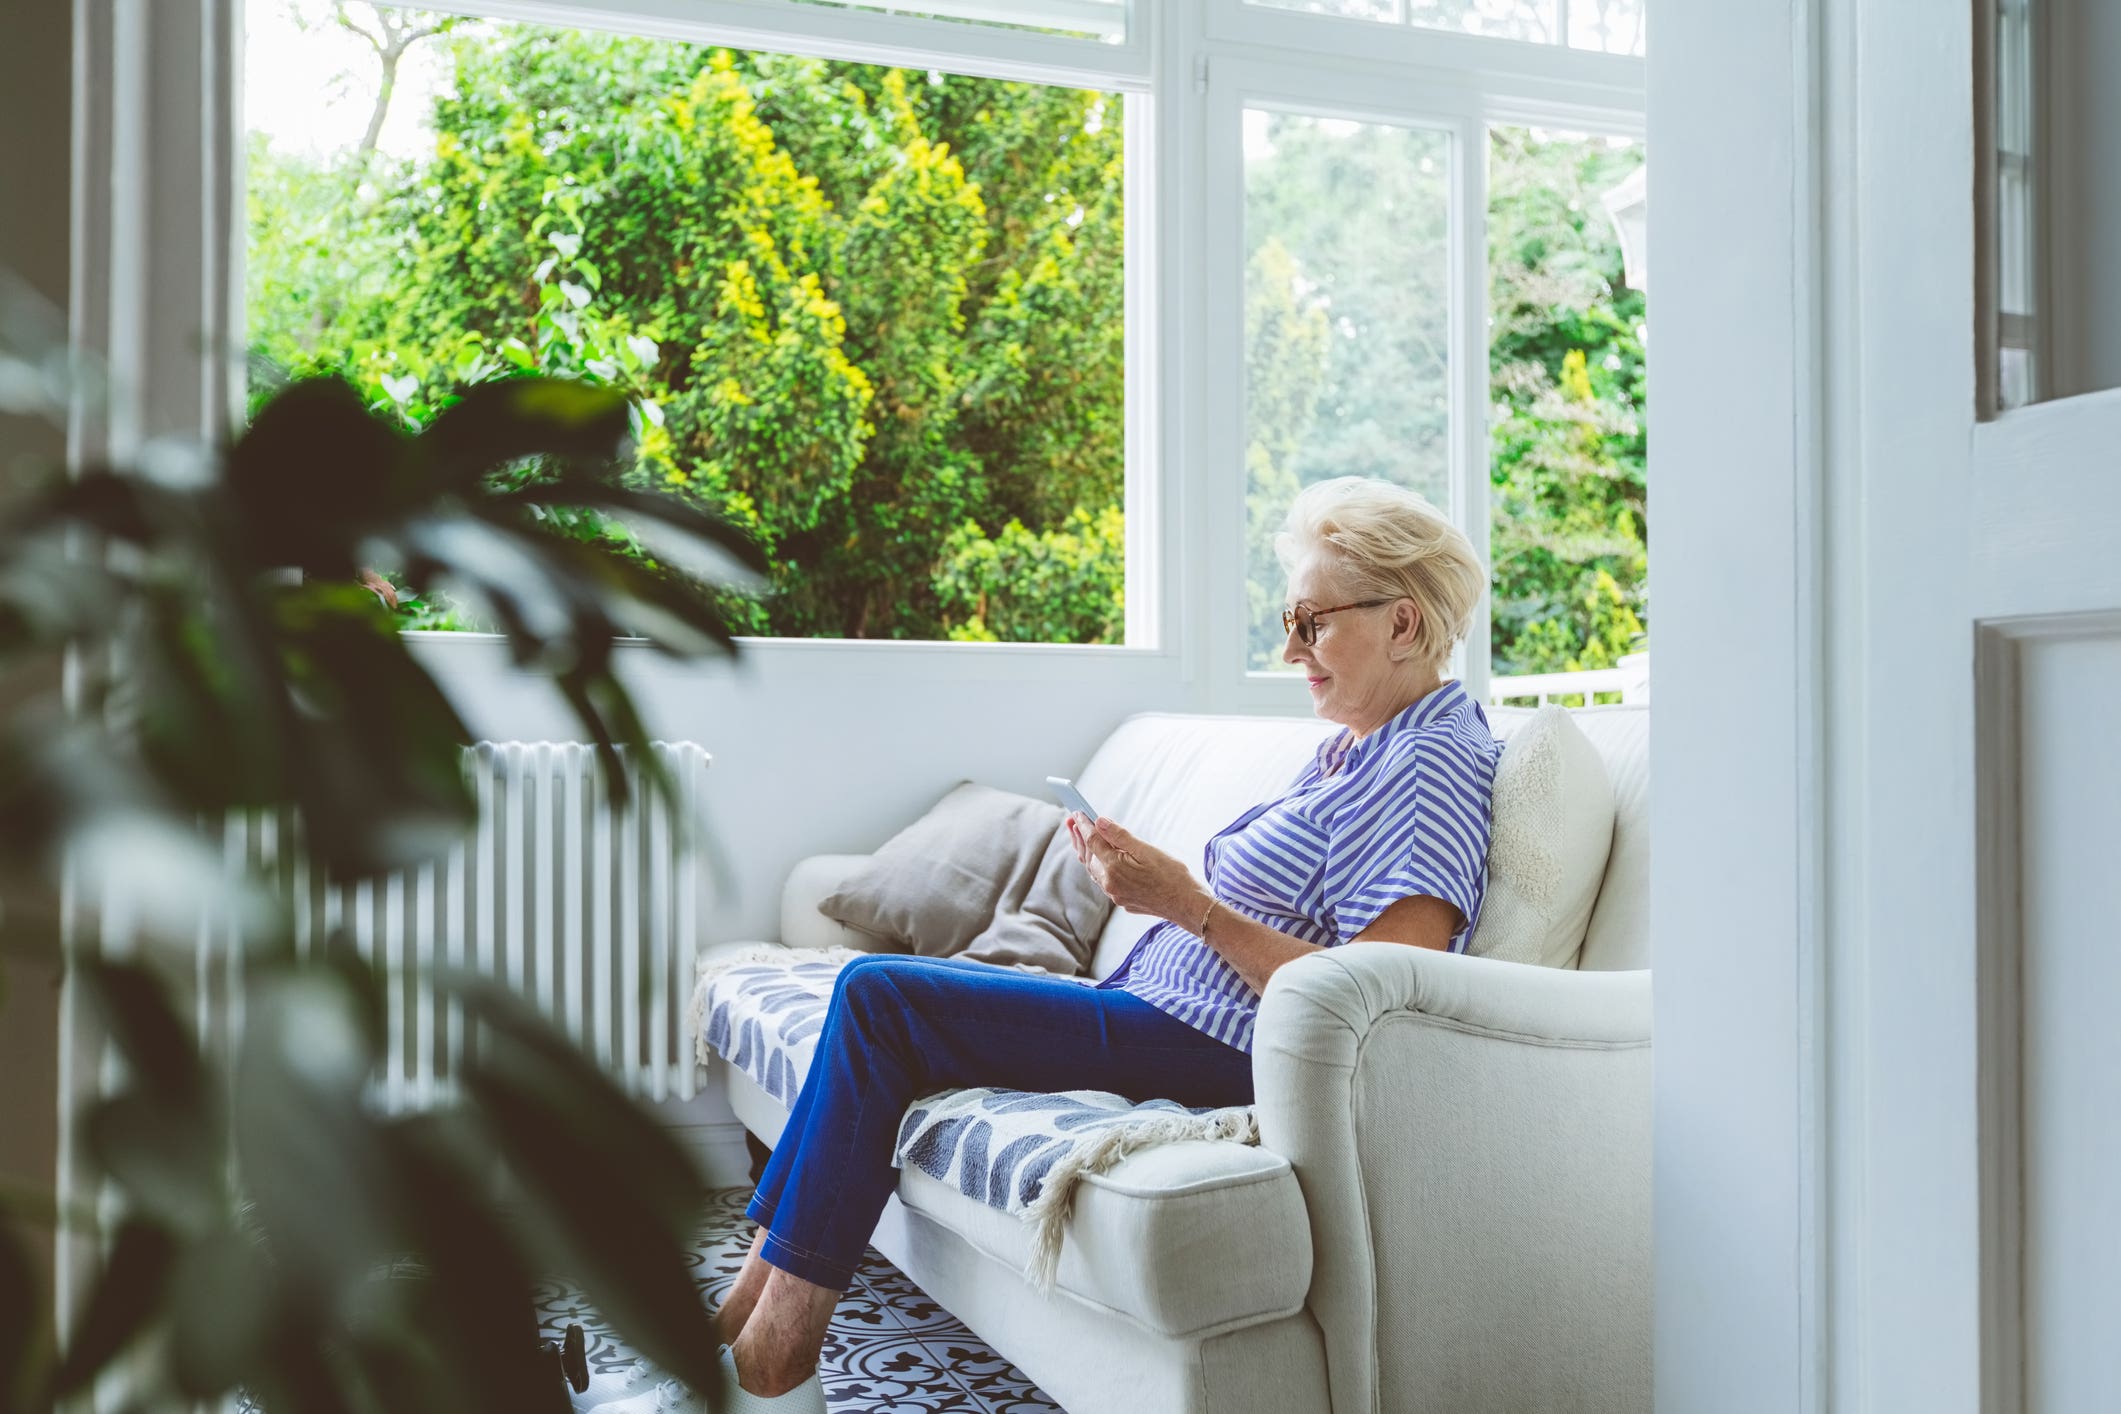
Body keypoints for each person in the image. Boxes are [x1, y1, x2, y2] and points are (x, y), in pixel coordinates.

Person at [585, 476, 1502, 1414]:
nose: (1289, 647)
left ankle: (770, 1363)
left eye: (1313, 622)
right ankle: (740, 1335)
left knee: (881, 997)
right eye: (1288, 617)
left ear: (1401, 623)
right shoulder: (1365, 743)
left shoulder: (1431, 761)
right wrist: (1155, 893)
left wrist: (1187, 905)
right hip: (1165, 1010)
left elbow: (1383, 995)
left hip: (1222, 1049)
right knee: (878, 1008)